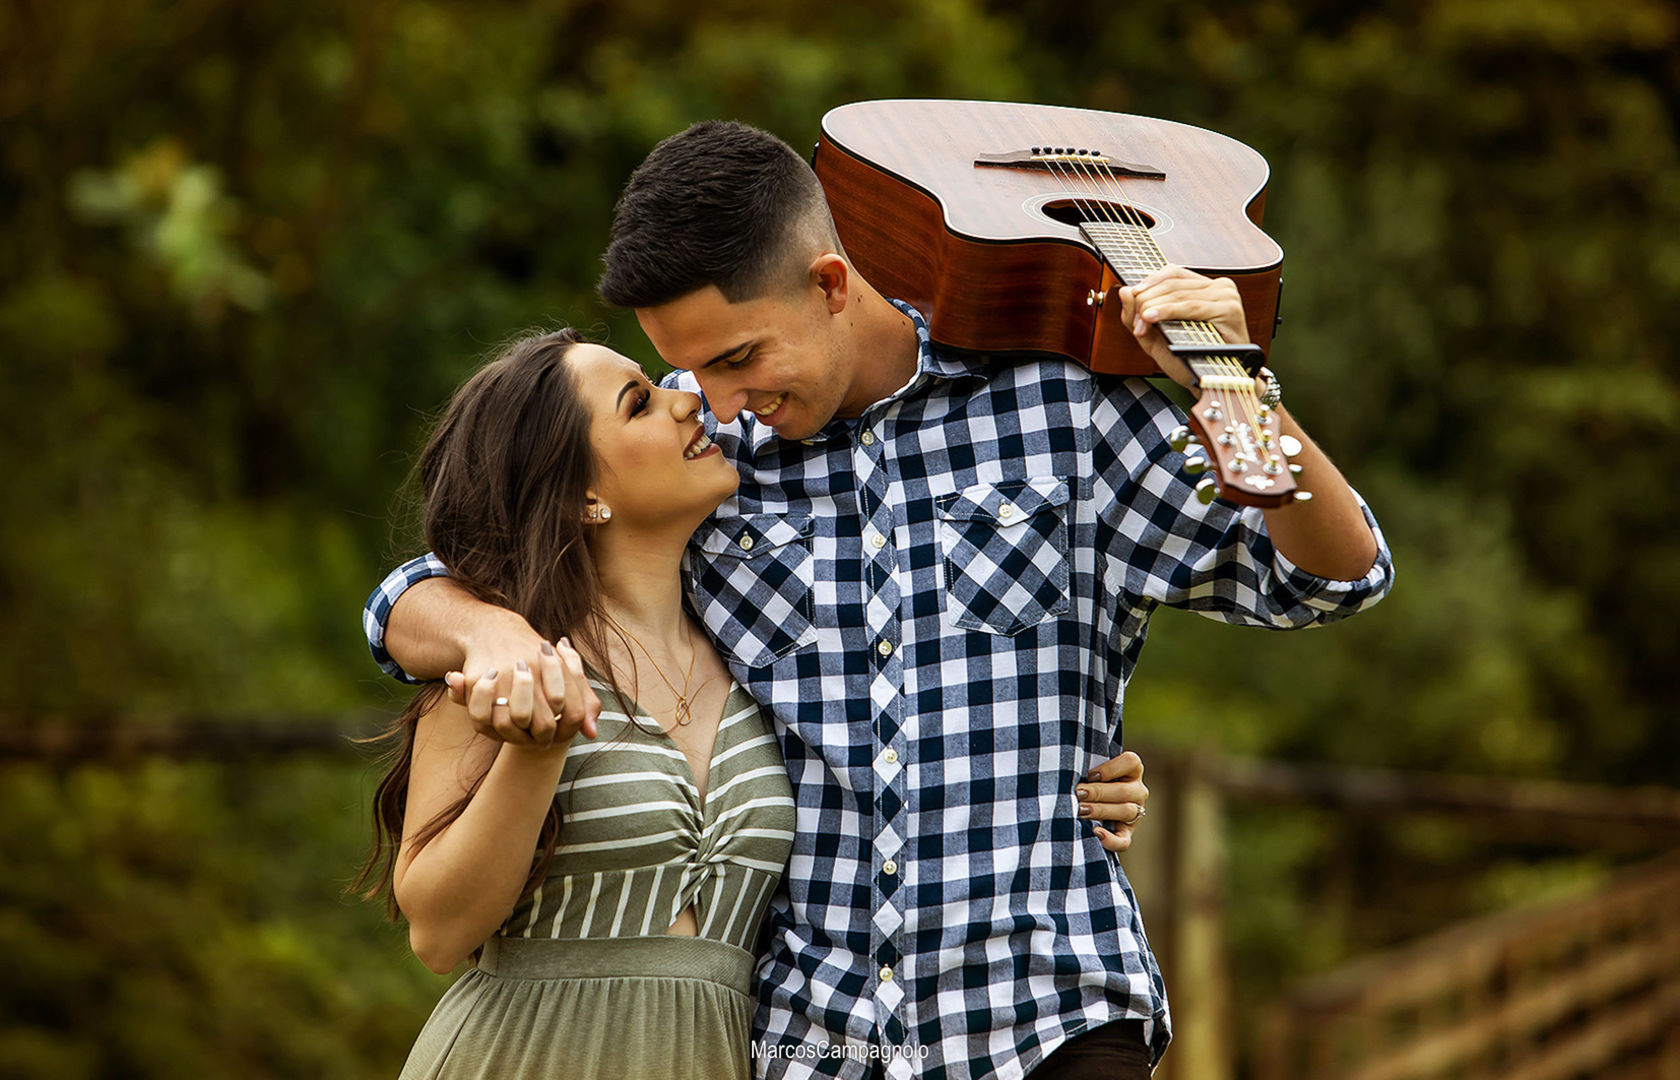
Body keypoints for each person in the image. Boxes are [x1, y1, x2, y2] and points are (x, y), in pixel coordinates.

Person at [365, 122, 1392, 1079]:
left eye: (736, 359)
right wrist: (490, 633)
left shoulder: (1060, 409)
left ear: (829, 283)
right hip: (818, 1042)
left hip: (1049, 1023)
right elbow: (434, 585)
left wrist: (1235, 385)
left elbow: (1326, 579)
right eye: (682, 373)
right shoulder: (711, 475)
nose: (716, 405)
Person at [355, 328, 801, 1079]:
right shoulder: (507, 668)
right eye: (641, 403)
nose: (689, 400)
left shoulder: (760, 657)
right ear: (582, 496)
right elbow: (436, 933)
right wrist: (536, 752)